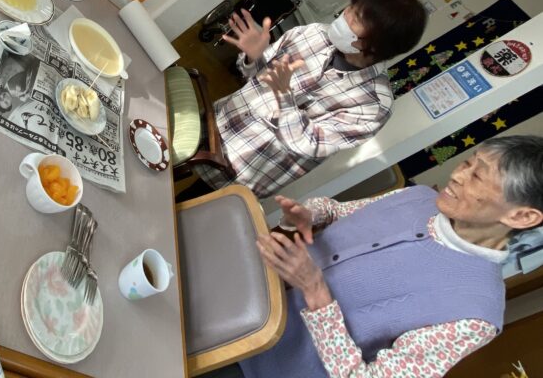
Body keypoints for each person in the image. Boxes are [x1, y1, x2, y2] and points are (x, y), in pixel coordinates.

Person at [213, 135, 543, 378]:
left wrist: (316, 292)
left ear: (522, 217)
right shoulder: (419, 196)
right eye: (468, 162)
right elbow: (340, 212)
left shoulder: (476, 314)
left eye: (478, 176)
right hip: (238, 296)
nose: (458, 174)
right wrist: (311, 214)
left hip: (260, 366)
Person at [195, 0, 428, 198]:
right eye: (351, 7)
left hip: (238, 170)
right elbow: (255, 77)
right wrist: (254, 56)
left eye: (356, 17)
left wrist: (284, 97)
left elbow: (310, 144)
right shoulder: (313, 34)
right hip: (209, 126)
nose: (345, 15)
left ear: (376, 44)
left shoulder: (374, 105)